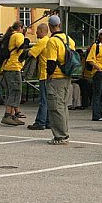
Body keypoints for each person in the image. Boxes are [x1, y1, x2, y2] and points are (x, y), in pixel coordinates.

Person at [44, 14, 76, 145]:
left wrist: (49, 74)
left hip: (56, 77)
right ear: (60, 25)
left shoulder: (53, 41)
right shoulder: (69, 39)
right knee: (63, 106)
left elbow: (51, 62)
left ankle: (60, 136)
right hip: (67, 76)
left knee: (55, 107)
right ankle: (64, 132)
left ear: (50, 26)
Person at [26, 22, 51, 130]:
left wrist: (23, 51)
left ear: (41, 31)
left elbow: (31, 53)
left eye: (37, 31)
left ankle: (40, 122)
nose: (36, 33)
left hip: (44, 74)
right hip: (50, 75)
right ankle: (48, 121)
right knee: (49, 99)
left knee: (43, 100)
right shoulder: (50, 40)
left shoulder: (42, 41)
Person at [0, 21, 26, 126]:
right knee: (15, 91)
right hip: (14, 66)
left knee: (11, 91)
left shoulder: (10, 35)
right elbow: (21, 47)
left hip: (7, 66)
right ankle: (7, 115)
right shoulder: (18, 35)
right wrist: (26, 41)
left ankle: (12, 115)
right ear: (20, 27)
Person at [86, 27, 102, 121]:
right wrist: (98, 68)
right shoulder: (95, 46)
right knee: (97, 93)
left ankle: (100, 112)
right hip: (98, 72)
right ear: (100, 36)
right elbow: (90, 59)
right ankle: (96, 114)